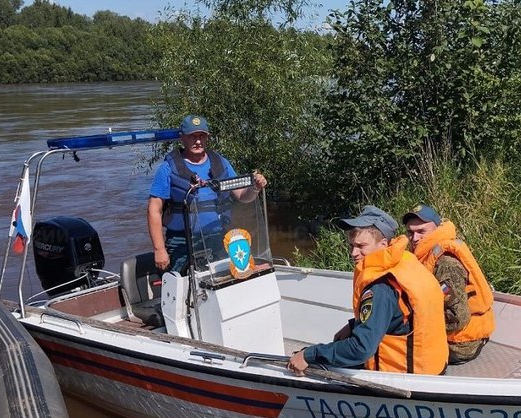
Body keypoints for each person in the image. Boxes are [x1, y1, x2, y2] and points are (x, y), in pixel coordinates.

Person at [287, 205, 448, 376]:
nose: (354, 253)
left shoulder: (381, 286)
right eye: (351, 245)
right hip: (431, 367)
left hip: (404, 375)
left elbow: (361, 349)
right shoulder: (406, 261)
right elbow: (396, 316)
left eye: (361, 246)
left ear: (383, 244)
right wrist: (352, 325)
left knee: (310, 359)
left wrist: (309, 355)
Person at [147, 115, 267, 273]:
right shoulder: (168, 169)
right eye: (192, 136)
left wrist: (254, 188)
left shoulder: (220, 163)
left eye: (201, 136)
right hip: (182, 241)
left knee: (229, 278)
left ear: (207, 137)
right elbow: (154, 210)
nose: (197, 141)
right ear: (182, 137)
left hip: (218, 237)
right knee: (186, 285)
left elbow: (242, 196)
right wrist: (159, 249)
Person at [402, 204, 495, 364]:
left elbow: (458, 318)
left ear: (436, 230)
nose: (415, 238)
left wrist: (413, 326)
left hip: (460, 345)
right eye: (410, 232)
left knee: (389, 349)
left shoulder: (446, 265)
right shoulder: (424, 256)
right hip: (447, 337)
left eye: (421, 232)